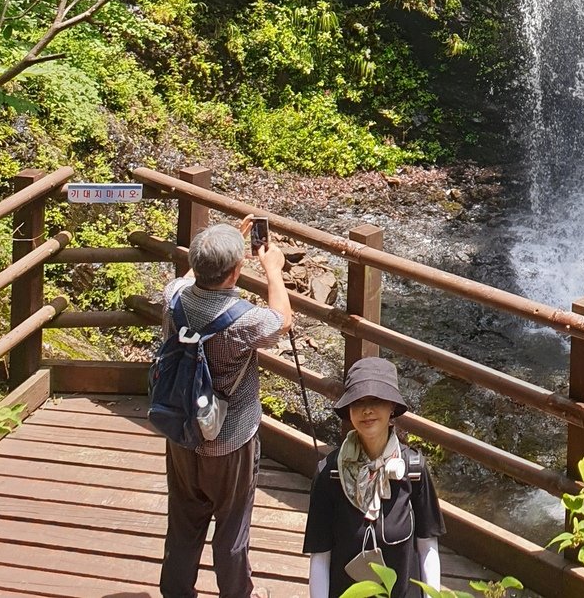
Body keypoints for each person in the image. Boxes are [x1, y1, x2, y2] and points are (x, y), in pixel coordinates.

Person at [160, 217, 292, 598]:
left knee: (184, 519)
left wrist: (220, 240)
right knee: (232, 525)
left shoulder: (174, 300)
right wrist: (273, 270)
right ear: (236, 271)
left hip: (183, 429)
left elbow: (186, 278)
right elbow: (282, 321)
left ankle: (176, 591)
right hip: (231, 439)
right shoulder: (243, 322)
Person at [304, 356, 445, 598]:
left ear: (392, 407)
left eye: (376, 400)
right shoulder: (329, 473)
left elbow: (427, 547)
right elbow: (320, 556)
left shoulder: (413, 470)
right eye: (358, 402)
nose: (367, 410)